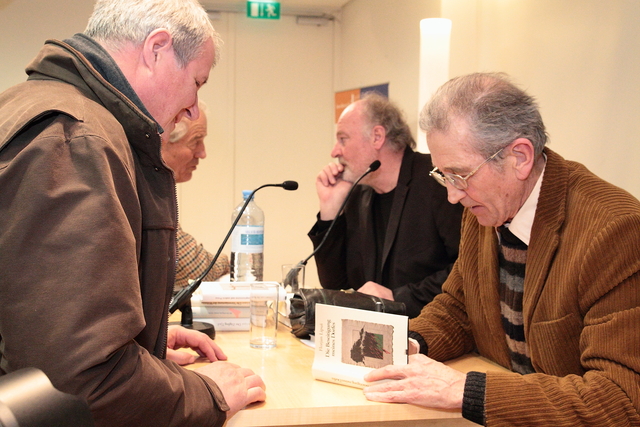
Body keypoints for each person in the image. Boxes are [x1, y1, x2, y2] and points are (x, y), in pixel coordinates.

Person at [0, 1, 265, 426]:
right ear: (156, 49)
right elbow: (81, 381)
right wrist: (208, 392)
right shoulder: (77, 139)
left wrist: (144, 342)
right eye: (197, 82)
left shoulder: (32, 105)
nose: (194, 108)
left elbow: (36, 327)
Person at [362, 72, 640, 425]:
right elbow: (459, 307)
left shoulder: (615, 231)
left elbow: (620, 398)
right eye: (443, 175)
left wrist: (466, 390)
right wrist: (408, 344)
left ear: (520, 157)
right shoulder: (484, 208)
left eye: (460, 175)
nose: (452, 195)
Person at [308, 91, 463, 318]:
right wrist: (330, 211)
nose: (335, 152)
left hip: (433, 327)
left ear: (377, 137)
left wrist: (397, 298)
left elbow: (467, 270)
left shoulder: (437, 181)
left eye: (343, 139)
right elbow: (335, 283)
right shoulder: (359, 192)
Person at [163, 102, 230, 292]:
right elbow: (195, 268)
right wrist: (230, 264)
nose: (202, 153)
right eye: (195, 141)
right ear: (164, 140)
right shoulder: (148, 188)